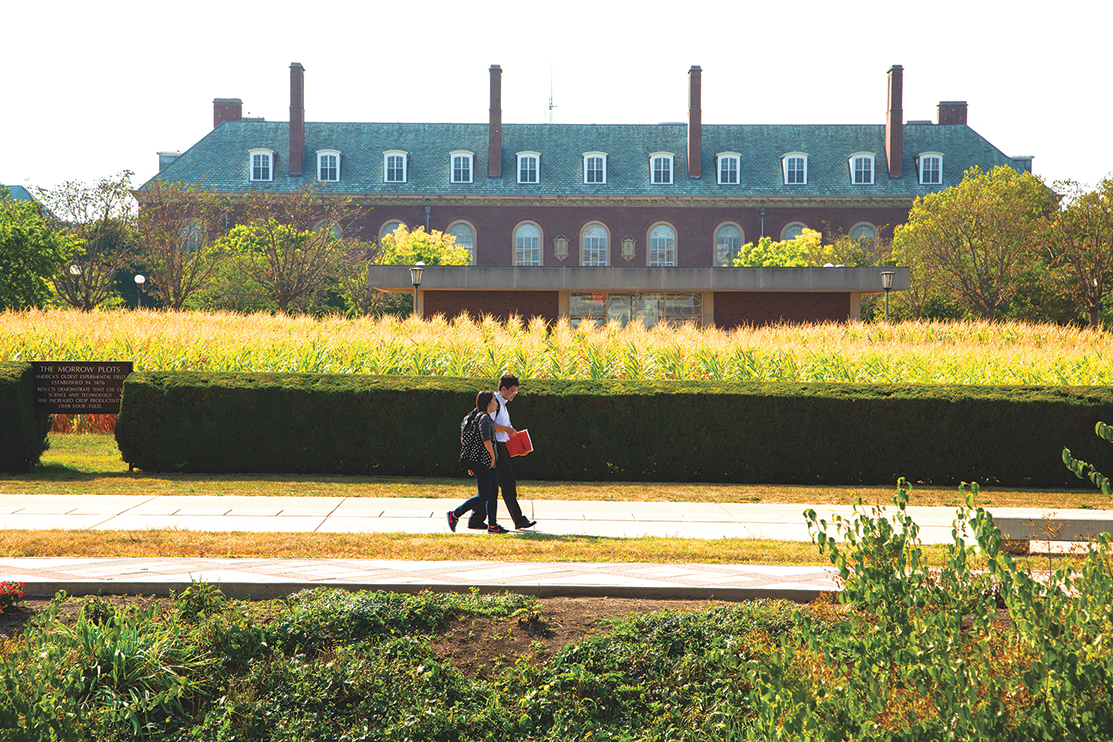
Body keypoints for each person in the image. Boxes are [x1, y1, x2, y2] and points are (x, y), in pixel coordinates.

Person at [447, 391, 509, 534]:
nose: (496, 403)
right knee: (484, 495)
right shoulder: (485, 418)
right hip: (485, 462)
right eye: (494, 400)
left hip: (484, 462)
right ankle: (454, 514)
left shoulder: (480, 417)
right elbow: (486, 439)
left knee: (492, 493)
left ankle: (492, 525)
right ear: (487, 403)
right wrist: (492, 457)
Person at [490, 373, 537, 529]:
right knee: (508, 484)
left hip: (500, 447)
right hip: (495, 447)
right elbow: (488, 425)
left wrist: (519, 447)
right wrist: (507, 429)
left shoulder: (503, 405)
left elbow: (507, 433)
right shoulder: (494, 403)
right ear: (503, 389)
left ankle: (475, 518)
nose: (514, 394)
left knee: (491, 486)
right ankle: (519, 519)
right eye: (512, 391)